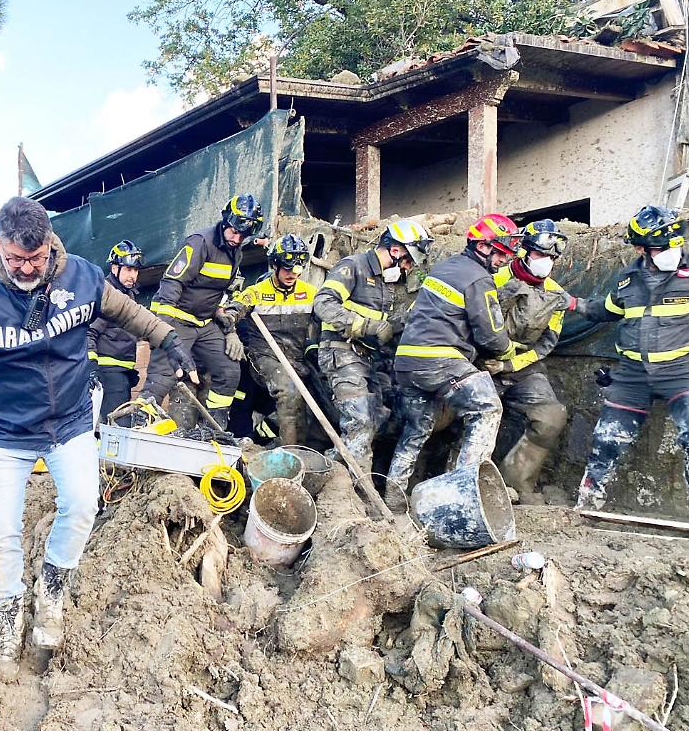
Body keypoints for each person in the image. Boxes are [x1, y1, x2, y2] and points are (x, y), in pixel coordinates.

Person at [0, 197, 196, 680]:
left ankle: (52, 588)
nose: (26, 268)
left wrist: (169, 340)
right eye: (16, 259)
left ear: (50, 245)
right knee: (1, 533)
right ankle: (9, 622)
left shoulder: (80, 276)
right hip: (4, 432)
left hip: (70, 423)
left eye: (36, 260)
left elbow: (131, 314)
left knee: (82, 505)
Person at [569, 206, 689, 523]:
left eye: (674, 243)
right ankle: (588, 507)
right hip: (632, 376)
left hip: (683, 372)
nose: (671, 251)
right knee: (606, 439)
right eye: (662, 247)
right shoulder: (626, 281)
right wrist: (573, 303)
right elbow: (605, 311)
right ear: (640, 249)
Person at [383, 213, 519, 511]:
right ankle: (465, 496)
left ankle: (392, 499)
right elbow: (492, 337)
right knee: (487, 407)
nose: (502, 262)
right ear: (484, 247)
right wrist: (510, 352)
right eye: (501, 254)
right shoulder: (478, 278)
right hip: (440, 359)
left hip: (407, 362)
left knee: (417, 428)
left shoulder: (445, 269)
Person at [313, 219, 433, 472]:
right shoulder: (353, 267)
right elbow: (323, 304)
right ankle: (353, 494)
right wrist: (366, 326)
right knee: (361, 419)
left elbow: (387, 325)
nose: (409, 267)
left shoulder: (387, 284)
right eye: (409, 260)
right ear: (396, 250)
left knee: (381, 418)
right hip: (341, 352)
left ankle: (329, 469)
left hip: (371, 359)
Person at [141, 193, 264, 430]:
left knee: (229, 370)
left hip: (204, 324)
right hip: (176, 318)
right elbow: (172, 283)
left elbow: (221, 291)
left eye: (243, 236)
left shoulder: (235, 251)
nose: (237, 239)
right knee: (163, 378)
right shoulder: (200, 242)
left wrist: (228, 326)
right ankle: (138, 426)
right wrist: (163, 330)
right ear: (226, 221)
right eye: (234, 232)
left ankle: (213, 430)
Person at [483, 220, 571, 496]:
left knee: (551, 417)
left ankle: (513, 485)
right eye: (540, 255)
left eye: (552, 257)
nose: (547, 262)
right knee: (456, 415)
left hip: (522, 368)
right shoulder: (492, 277)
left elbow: (546, 344)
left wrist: (509, 365)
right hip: (478, 364)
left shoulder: (555, 295)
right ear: (522, 251)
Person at [219, 234, 318, 446]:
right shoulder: (257, 292)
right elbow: (233, 310)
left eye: (297, 268)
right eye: (287, 268)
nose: (293, 273)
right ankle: (292, 454)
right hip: (264, 355)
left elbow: (325, 318)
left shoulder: (310, 293)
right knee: (288, 392)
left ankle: (301, 447)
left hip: (296, 357)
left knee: (318, 396)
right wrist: (230, 325)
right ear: (275, 265)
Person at [88, 240, 146, 421]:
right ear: (114, 269)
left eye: (135, 270)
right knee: (117, 428)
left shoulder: (128, 294)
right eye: (128, 269)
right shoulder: (108, 294)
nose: (133, 275)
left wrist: (129, 370)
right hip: (108, 373)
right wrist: (93, 368)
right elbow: (89, 332)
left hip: (121, 373)